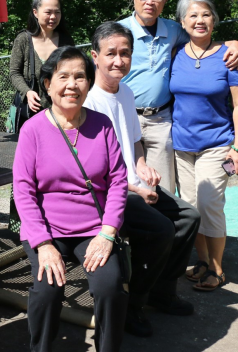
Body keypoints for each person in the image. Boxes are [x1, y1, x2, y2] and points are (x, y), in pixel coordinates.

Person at [85, 22, 200, 337]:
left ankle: (163, 292)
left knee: (189, 216)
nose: (118, 60)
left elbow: (134, 140)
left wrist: (141, 165)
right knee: (160, 229)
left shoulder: (125, 91)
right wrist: (134, 186)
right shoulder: (88, 101)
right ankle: (132, 306)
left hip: (134, 183)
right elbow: (93, 168)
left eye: (125, 53)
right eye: (111, 54)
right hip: (108, 193)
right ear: (95, 56)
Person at [13, 46, 129, 352]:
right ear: (48, 84)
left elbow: (118, 181)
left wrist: (107, 233)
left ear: (89, 84)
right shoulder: (32, 130)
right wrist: (43, 243)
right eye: (62, 76)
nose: (71, 84)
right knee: (47, 290)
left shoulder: (102, 125)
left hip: (94, 228)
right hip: (47, 229)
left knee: (109, 287)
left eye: (80, 77)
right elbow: (23, 191)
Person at [120, 0, 238, 194]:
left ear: (165, 1)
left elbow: (203, 41)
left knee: (163, 190)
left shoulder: (174, 30)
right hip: (125, 117)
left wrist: (233, 43)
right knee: (126, 185)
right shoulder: (118, 31)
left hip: (161, 121)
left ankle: (165, 228)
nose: (149, 2)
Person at [171, 0, 238, 292]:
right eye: (193, 16)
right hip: (182, 145)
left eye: (206, 14)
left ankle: (218, 268)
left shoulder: (229, 56)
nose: (200, 20)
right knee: (191, 206)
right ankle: (201, 260)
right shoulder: (174, 54)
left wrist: (237, 147)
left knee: (210, 204)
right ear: (182, 22)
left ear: (214, 20)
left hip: (217, 144)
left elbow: (237, 106)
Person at [10, 0, 74, 116]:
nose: (53, 17)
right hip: (32, 112)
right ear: (36, 12)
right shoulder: (23, 40)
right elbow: (14, 73)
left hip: (60, 111)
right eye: (48, 12)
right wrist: (27, 92)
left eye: (57, 12)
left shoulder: (67, 41)